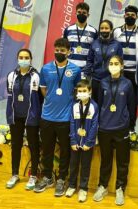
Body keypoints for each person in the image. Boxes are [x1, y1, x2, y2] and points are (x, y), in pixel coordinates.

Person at [34, 38, 81, 196]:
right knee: (46, 150)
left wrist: (66, 102)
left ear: (68, 52)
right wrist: (51, 99)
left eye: (62, 50)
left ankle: (61, 179)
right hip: (47, 117)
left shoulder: (75, 70)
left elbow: (77, 91)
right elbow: (43, 88)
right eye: (57, 50)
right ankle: (47, 177)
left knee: (65, 151)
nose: (59, 53)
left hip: (66, 118)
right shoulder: (46, 69)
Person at [93, 55, 135, 206]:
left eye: (116, 63)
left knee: (123, 162)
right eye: (111, 63)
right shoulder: (103, 83)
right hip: (104, 128)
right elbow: (99, 104)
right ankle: (103, 186)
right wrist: (97, 124)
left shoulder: (128, 84)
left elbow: (132, 105)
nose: (113, 66)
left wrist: (131, 126)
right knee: (106, 160)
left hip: (121, 128)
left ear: (122, 66)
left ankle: (120, 188)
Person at [5, 49, 41, 190]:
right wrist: (9, 116)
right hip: (16, 117)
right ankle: (14, 174)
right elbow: (10, 98)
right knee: (16, 145)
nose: (23, 59)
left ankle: (33, 176)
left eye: (26, 57)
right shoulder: (11, 76)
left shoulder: (36, 76)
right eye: (21, 57)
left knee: (33, 145)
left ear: (31, 59)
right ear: (17, 58)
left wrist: (36, 115)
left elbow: (39, 99)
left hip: (31, 117)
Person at [65, 79, 99, 202]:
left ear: (89, 91)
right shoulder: (74, 106)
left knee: (85, 166)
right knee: (73, 165)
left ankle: (83, 188)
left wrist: (89, 143)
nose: (82, 93)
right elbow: (72, 123)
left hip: (87, 145)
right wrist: (73, 141)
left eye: (84, 91)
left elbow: (95, 125)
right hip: (76, 143)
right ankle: (72, 185)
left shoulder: (94, 106)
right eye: (79, 91)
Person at [113, 5, 138, 116]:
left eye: (132, 15)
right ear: (124, 16)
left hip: (134, 73)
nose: (130, 17)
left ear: (137, 17)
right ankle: (118, 123)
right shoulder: (116, 32)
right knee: (118, 98)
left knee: (132, 101)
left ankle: (131, 127)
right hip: (120, 72)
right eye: (127, 15)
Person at [83, 19, 123, 102]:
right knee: (95, 103)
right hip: (96, 80)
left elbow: (120, 63)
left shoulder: (117, 45)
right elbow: (90, 61)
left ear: (111, 30)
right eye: (102, 28)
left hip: (111, 80)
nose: (104, 30)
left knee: (108, 103)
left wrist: (119, 79)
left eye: (106, 28)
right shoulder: (94, 43)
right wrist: (85, 76)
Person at [63, 2, 98, 75]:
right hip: (69, 67)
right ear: (75, 13)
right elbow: (64, 48)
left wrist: (90, 67)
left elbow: (95, 51)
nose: (81, 14)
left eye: (84, 13)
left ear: (88, 15)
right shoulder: (68, 29)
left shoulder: (93, 31)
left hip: (85, 70)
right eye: (79, 12)